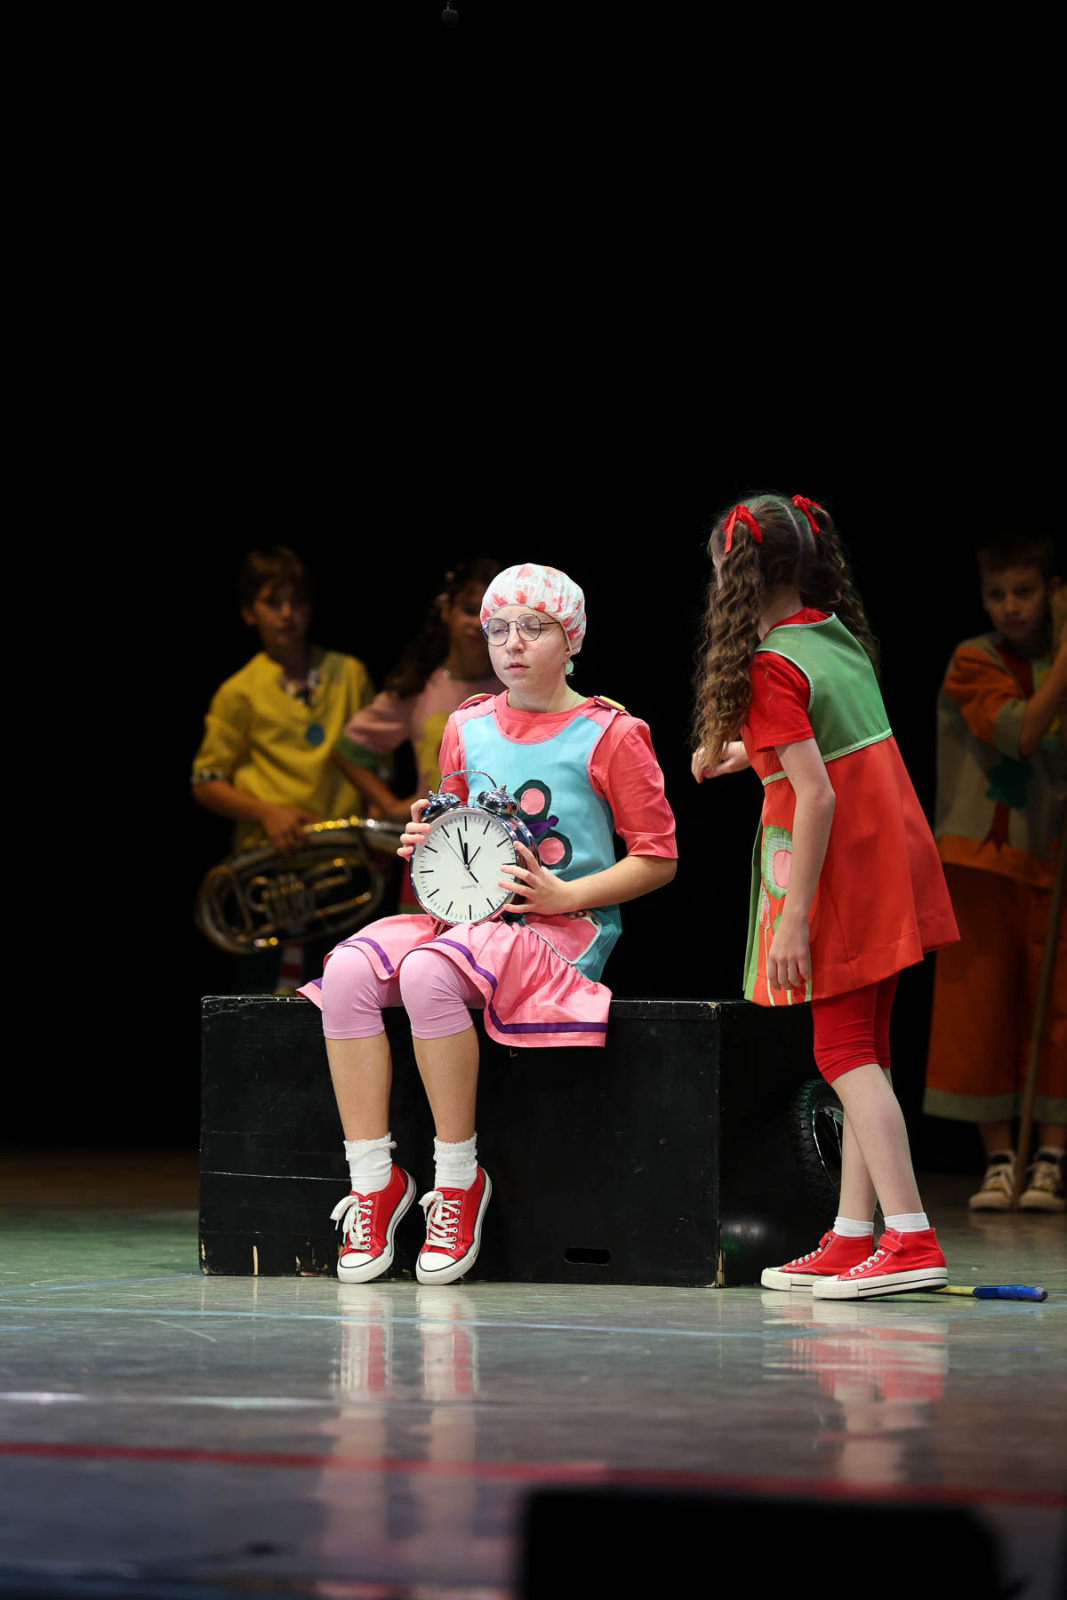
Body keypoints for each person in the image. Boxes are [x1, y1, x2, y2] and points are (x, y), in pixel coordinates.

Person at [298, 562, 677, 1286]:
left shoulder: (611, 732)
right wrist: (427, 838)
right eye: (498, 629)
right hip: (462, 921)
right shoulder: (465, 726)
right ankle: (374, 1181)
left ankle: (457, 1179)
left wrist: (564, 896)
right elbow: (458, 826)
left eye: (532, 628)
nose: (511, 644)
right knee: (346, 969)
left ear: (571, 639)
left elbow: (658, 858)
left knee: (427, 972)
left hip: (560, 929)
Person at [692, 493, 958, 1300]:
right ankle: (851, 1235)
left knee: (841, 1054)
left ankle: (909, 1238)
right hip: (885, 867)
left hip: (841, 880)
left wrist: (795, 920)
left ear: (737, 574)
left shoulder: (770, 664)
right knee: (862, 1051)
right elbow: (829, 747)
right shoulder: (829, 634)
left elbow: (815, 794)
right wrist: (746, 752)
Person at [923, 530, 1066, 1212]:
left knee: (1057, 1010)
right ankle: (999, 1159)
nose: (1010, 606)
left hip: (1052, 860)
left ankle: (1050, 1160)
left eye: (1024, 592)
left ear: (1051, 593)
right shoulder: (973, 659)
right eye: (996, 593)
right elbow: (1021, 733)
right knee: (979, 1008)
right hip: (981, 861)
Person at [192, 546, 375, 990]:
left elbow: (375, 765)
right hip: (271, 868)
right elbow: (205, 781)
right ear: (248, 612)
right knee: (268, 994)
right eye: (273, 602)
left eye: (298, 601)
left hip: (343, 861)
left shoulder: (349, 674)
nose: (287, 614)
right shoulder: (239, 691)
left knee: (344, 988)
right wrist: (268, 813)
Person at [331, 559, 501, 910]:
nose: (477, 623)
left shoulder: (515, 689)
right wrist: (390, 805)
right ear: (446, 610)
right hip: (433, 852)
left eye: (489, 614)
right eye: (469, 610)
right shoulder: (420, 688)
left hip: (496, 852)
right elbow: (348, 750)